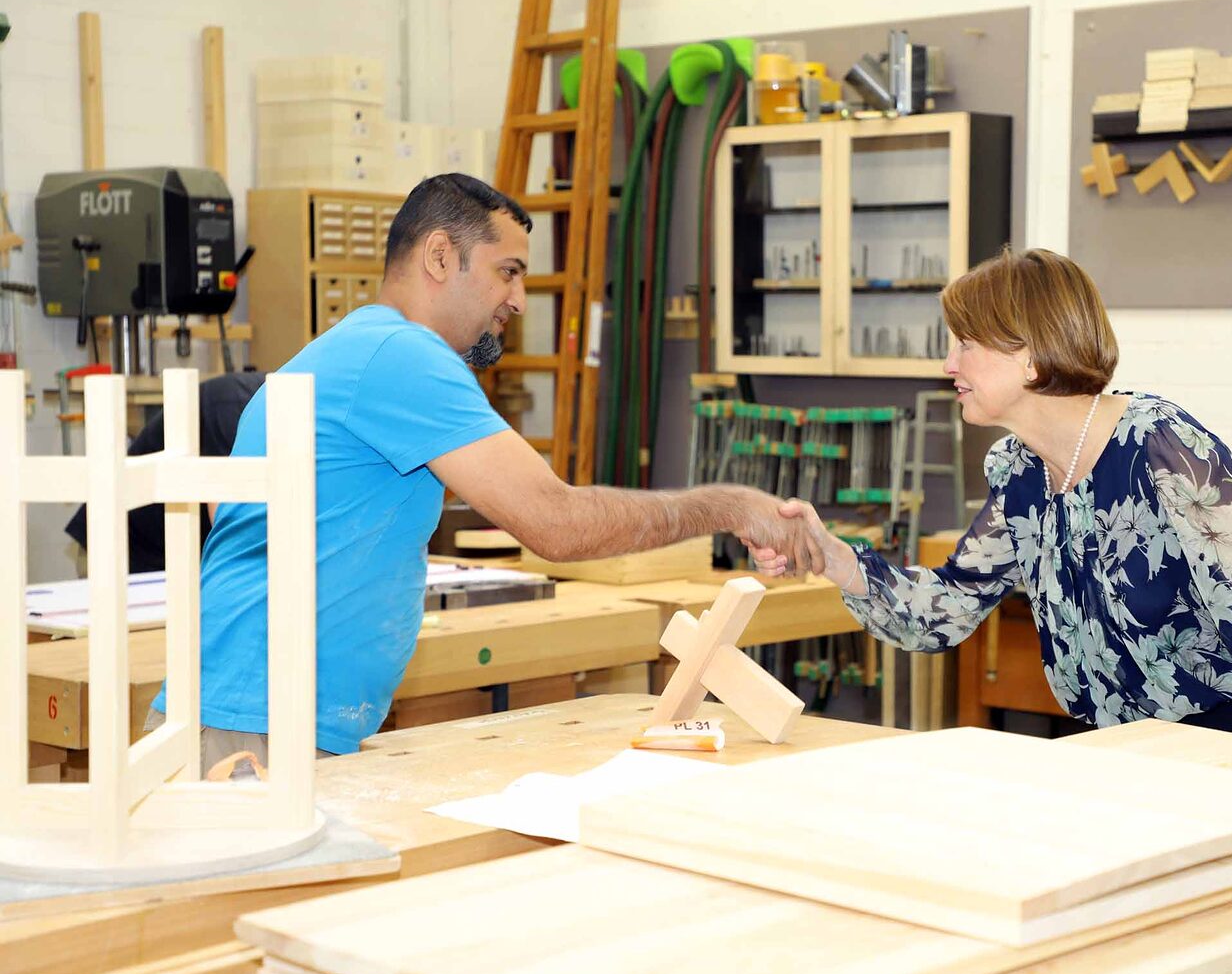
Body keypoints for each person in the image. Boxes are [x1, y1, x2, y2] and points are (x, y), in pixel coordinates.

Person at [147, 173, 820, 765]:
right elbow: (556, 526)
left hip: (246, 709)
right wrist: (728, 506)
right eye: (508, 271)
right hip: (255, 726)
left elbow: (227, 516)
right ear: (441, 255)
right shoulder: (403, 356)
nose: (520, 298)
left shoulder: (345, 350)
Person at [751, 246, 1232, 749]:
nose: (948, 363)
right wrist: (833, 557)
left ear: (1030, 355)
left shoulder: (1160, 446)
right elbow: (948, 608)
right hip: (1116, 754)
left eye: (965, 344)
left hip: (1229, 755)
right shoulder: (1020, 472)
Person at [64, 371, 266, 573]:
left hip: (178, 562)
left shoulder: (262, 409)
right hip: (122, 555)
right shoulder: (233, 405)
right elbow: (228, 525)